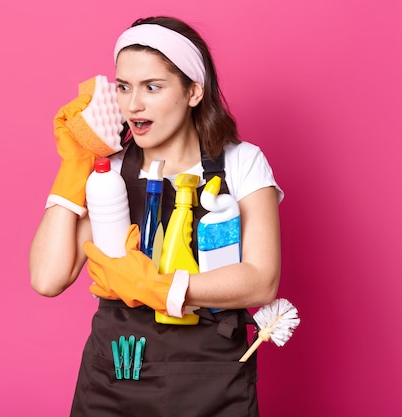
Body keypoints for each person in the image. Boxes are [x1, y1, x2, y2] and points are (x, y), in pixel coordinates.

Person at [29, 16, 283, 417]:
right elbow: (47, 277)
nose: (133, 105)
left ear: (194, 91)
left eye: (152, 87)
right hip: (112, 380)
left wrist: (161, 289)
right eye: (125, 87)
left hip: (211, 384)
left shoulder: (241, 163)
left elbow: (261, 280)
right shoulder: (107, 173)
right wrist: (75, 167)